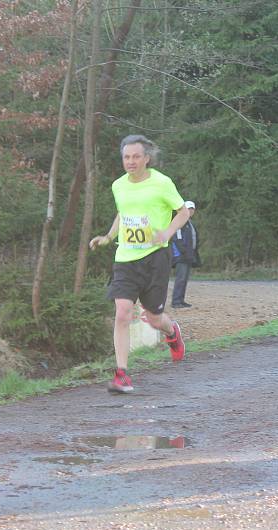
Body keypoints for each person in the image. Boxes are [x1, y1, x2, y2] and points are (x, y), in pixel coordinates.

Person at [90, 134, 190, 393]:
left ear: (146, 158)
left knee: (154, 318)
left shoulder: (161, 183)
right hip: (125, 258)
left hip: (155, 258)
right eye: (126, 157)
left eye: (136, 156)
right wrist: (109, 237)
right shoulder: (118, 186)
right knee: (123, 311)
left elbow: (183, 211)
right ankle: (122, 374)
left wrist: (166, 234)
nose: (130, 162)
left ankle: (171, 332)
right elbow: (123, 213)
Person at [170, 200, 200, 308]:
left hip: (188, 256)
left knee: (185, 279)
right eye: (189, 209)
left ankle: (181, 300)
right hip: (181, 256)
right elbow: (176, 238)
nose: (191, 211)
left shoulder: (189, 223)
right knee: (180, 278)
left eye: (192, 209)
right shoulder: (180, 222)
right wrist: (183, 252)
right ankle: (176, 301)